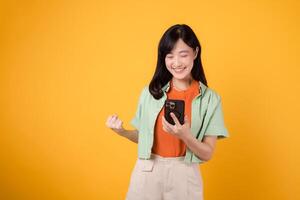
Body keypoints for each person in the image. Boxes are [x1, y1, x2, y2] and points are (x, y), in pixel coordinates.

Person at [106, 24, 229, 200]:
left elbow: (207, 153)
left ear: (195, 52)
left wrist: (186, 136)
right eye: (169, 56)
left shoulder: (211, 99)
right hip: (147, 170)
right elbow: (144, 137)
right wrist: (122, 131)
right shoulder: (150, 93)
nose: (176, 63)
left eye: (183, 55)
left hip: (185, 174)